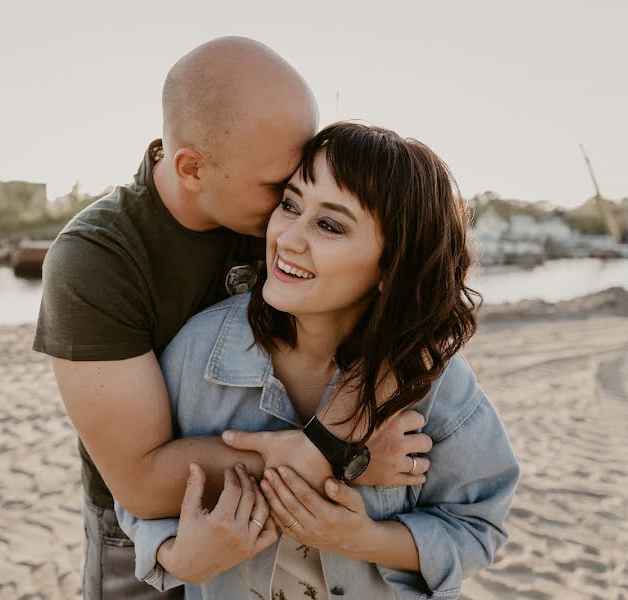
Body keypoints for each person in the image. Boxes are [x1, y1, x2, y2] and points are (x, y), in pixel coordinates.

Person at [32, 39, 433, 599]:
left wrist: (324, 452)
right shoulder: (96, 260)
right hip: (155, 532)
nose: (290, 211)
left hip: (296, 523)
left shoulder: (284, 217)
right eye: (280, 189)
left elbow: (403, 313)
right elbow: (144, 484)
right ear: (192, 168)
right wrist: (336, 455)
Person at [117, 122, 521, 599]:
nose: (288, 238)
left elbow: (477, 526)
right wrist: (176, 556)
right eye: (289, 204)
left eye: (329, 225)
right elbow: (140, 502)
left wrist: (362, 539)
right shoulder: (197, 352)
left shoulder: (433, 380)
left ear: (391, 268)